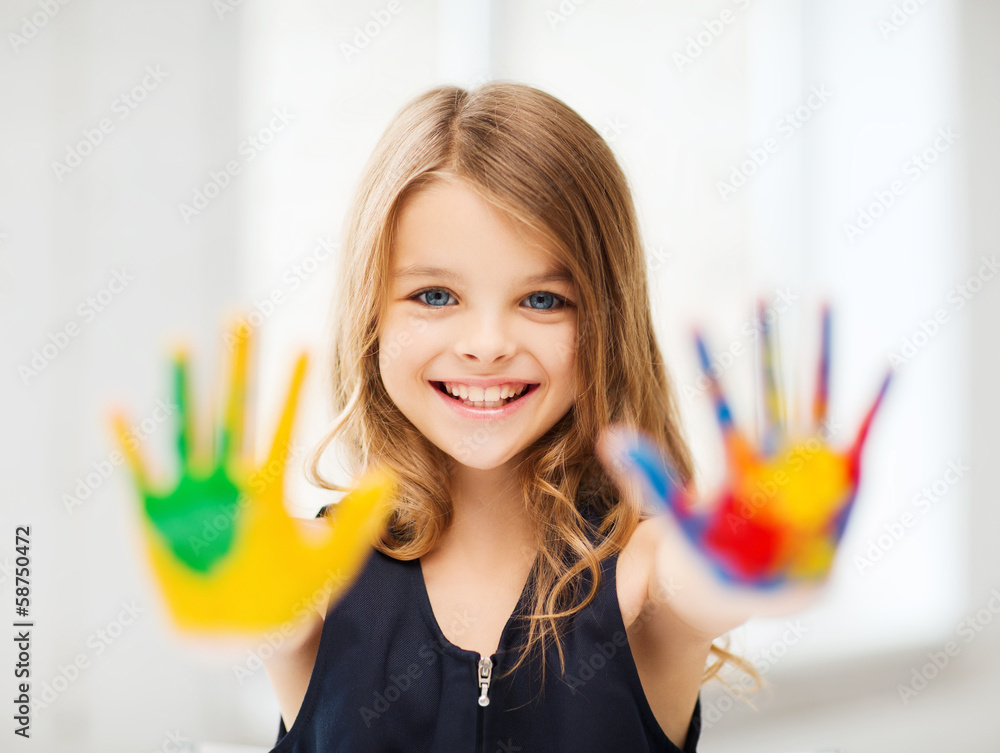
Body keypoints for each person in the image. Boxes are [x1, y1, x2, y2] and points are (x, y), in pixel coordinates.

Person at [262, 81, 767, 753]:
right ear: (371, 316)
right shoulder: (312, 570)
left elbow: (703, 585)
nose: (488, 342)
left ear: (605, 323)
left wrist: (757, 545)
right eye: (436, 295)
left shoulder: (647, 579)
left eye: (544, 299)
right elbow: (258, 615)